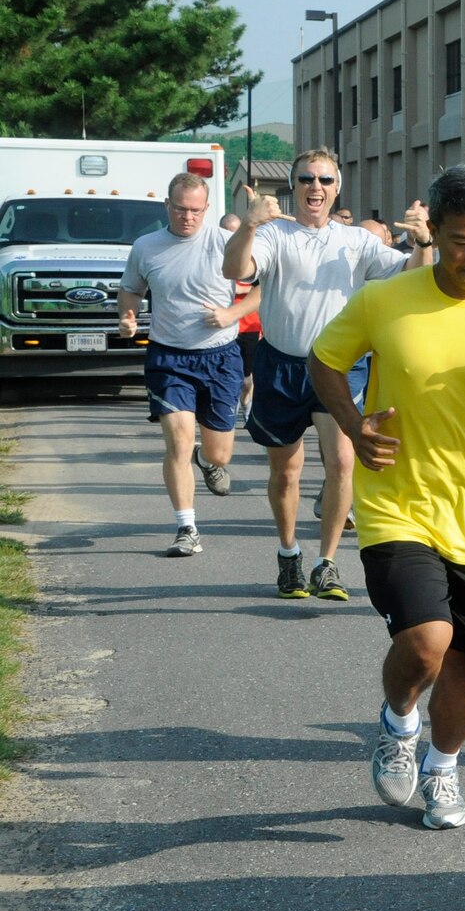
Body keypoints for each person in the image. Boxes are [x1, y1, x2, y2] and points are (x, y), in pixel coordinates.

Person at [310, 165, 465, 831]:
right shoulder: (386, 299)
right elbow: (324, 359)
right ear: (437, 232)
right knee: (426, 641)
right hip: (398, 503)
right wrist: (351, 422)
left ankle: (443, 768)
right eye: (460, 241)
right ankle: (398, 724)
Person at [224, 150, 434, 600]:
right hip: (281, 364)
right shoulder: (274, 233)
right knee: (286, 471)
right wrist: (249, 224)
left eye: (324, 180)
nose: (314, 187)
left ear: (337, 187)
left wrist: (422, 242)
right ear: (294, 186)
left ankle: (327, 563)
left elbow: (407, 279)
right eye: (306, 179)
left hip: (339, 365)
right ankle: (288, 554)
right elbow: (234, 269)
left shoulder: (355, 241)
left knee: (342, 461)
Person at [117, 174, 246, 556]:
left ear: (207, 209)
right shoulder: (147, 246)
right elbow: (131, 288)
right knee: (178, 441)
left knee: (219, 453)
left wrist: (231, 312)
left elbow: (263, 286)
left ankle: (207, 462)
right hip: (169, 356)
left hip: (221, 355)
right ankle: (186, 527)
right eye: (180, 208)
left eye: (195, 210)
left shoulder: (226, 242)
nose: (187, 217)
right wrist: (127, 315)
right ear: (167, 206)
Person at [220, 214, 263, 429]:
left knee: (247, 380)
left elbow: (260, 288)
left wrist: (237, 289)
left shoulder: (253, 255)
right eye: (228, 231)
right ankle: (229, 412)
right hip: (223, 327)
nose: (232, 235)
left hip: (249, 326)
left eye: (236, 231)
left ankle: (247, 405)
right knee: (229, 377)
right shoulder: (216, 256)